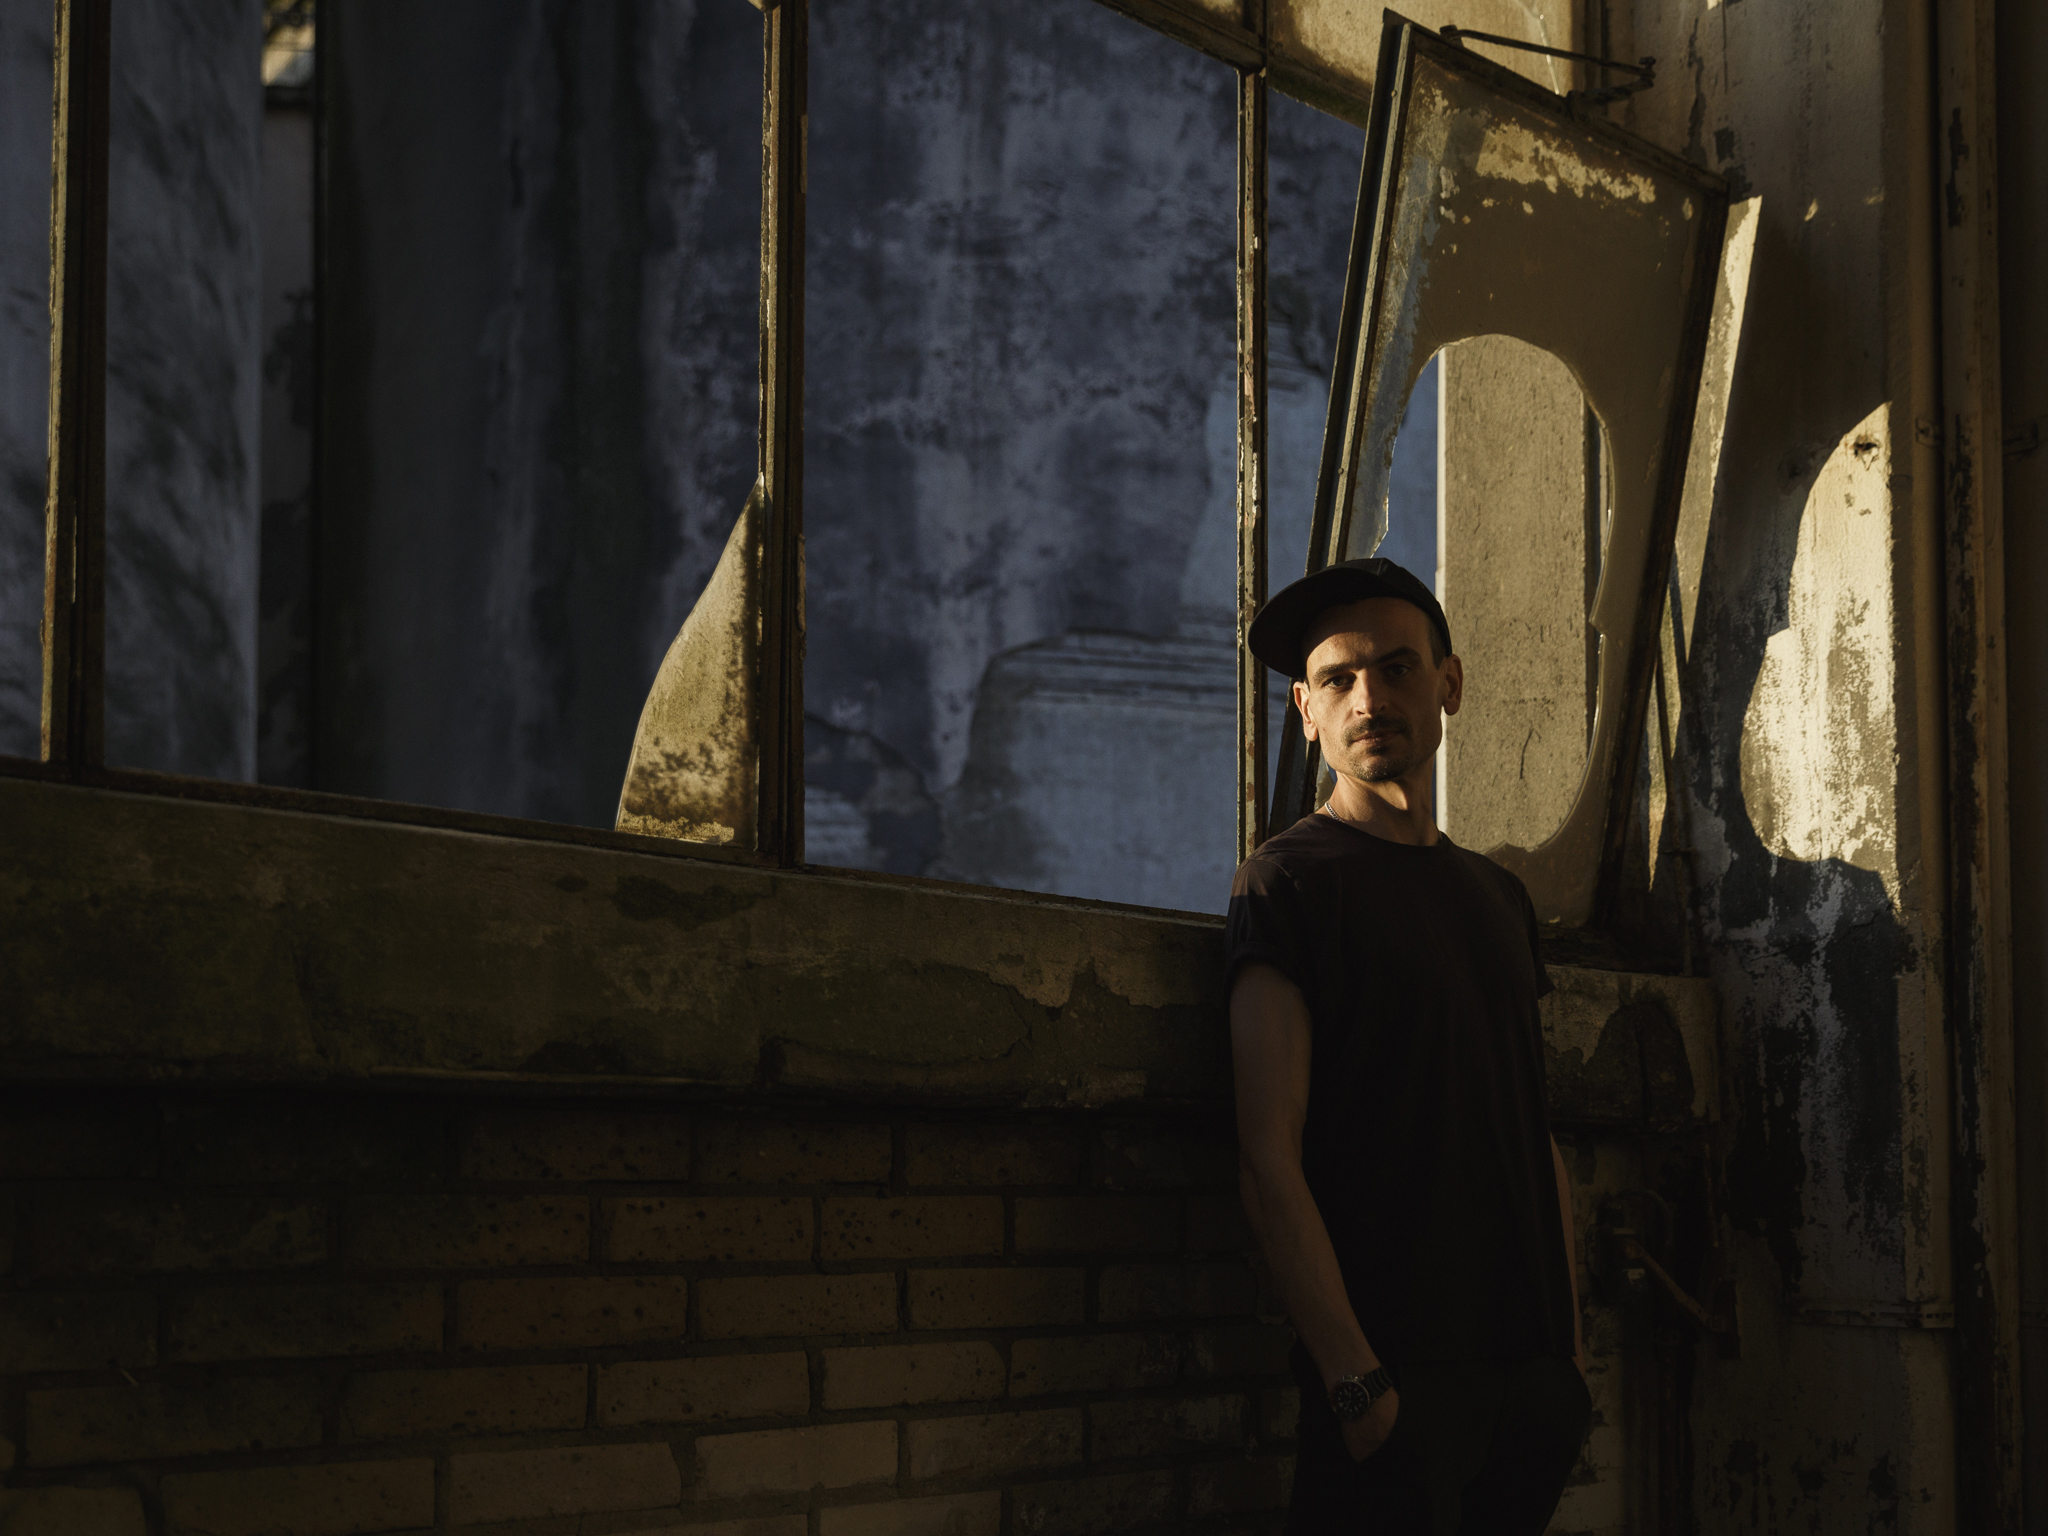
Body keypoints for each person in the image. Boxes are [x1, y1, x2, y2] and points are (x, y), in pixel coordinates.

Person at [1226, 556, 1590, 1534]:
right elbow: (1267, 1158)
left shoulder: (1498, 897)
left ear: (1448, 684)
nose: (1368, 699)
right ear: (1306, 711)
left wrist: (1567, 1352)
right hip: (1393, 1388)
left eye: (1394, 668)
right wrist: (1355, 1385)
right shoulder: (1285, 883)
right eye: (1337, 679)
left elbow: (1532, 1133)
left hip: (1530, 1384)